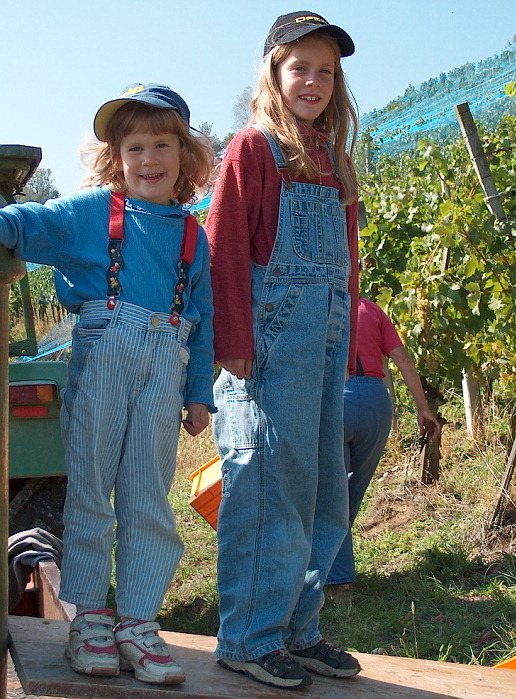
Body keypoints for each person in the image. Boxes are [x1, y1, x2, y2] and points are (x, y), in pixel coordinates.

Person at [0, 84, 215, 685]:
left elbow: (204, 319)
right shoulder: (94, 214)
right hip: (104, 356)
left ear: (185, 155)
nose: (150, 159)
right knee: (91, 491)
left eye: (163, 145)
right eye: (136, 147)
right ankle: (90, 618)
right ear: (116, 158)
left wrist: (199, 391)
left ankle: (139, 624)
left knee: (149, 497)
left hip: (164, 364)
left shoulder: (193, 236)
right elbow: (27, 222)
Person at [205, 10, 362, 690]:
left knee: (320, 484)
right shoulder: (254, 147)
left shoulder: (332, 156)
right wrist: (233, 341)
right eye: (300, 67)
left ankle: (299, 627)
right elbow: (224, 247)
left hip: (325, 336)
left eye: (326, 70)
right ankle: (249, 634)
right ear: (273, 71)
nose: (314, 80)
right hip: (269, 341)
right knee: (268, 486)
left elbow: (347, 264)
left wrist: (347, 336)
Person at [326, 296, 441, 603]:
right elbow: (402, 359)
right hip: (377, 404)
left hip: (337, 398)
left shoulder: (321, 304)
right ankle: (334, 572)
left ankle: (337, 582)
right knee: (350, 495)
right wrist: (423, 408)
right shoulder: (372, 310)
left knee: (331, 497)